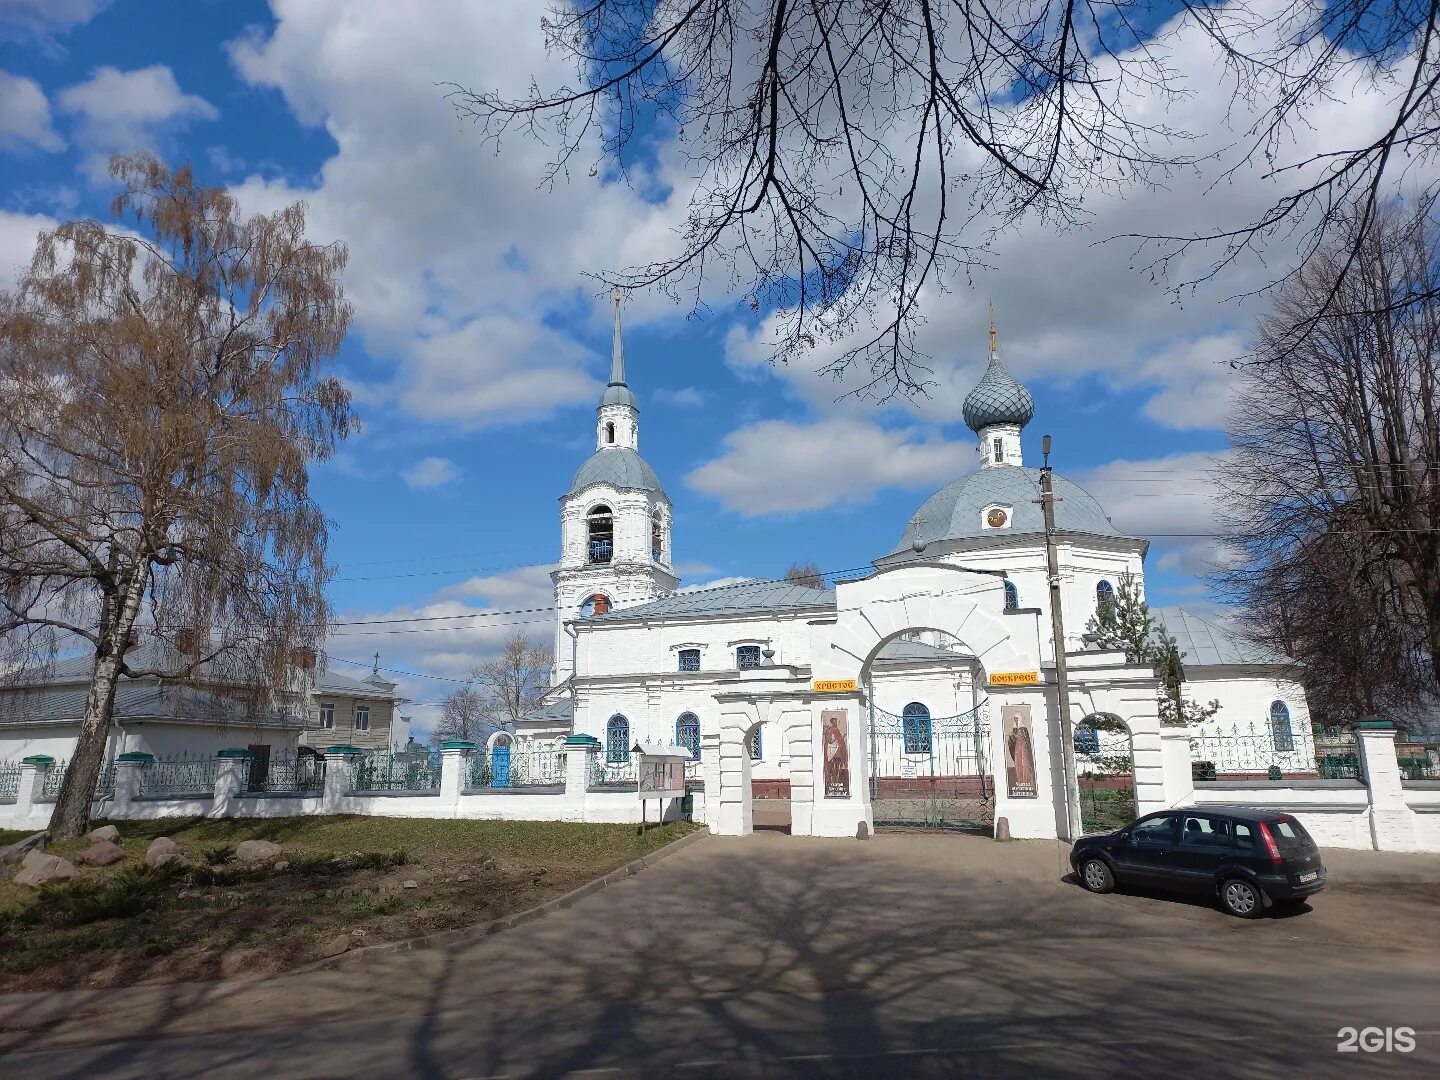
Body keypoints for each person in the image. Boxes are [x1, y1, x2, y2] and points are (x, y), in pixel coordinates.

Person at [1007, 721, 1036, 796]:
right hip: (1017, 749)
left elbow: (1023, 738)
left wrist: (1014, 735)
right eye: (1014, 719)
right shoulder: (1016, 729)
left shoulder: (1023, 729)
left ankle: (1027, 782)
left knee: (1024, 765)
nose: (1016, 721)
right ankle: (1020, 782)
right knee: (1018, 764)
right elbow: (1014, 741)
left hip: (1023, 749)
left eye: (1017, 719)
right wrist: (1011, 736)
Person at [823, 714, 849, 797]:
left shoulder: (837, 729)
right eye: (834, 721)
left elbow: (840, 740)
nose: (836, 723)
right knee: (832, 766)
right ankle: (831, 780)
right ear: (832, 722)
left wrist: (842, 737)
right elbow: (829, 741)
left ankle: (837, 781)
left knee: (837, 765)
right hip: (831, 750)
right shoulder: (830, 730)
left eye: (836, 721)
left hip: (837, 750)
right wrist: (837, 739)